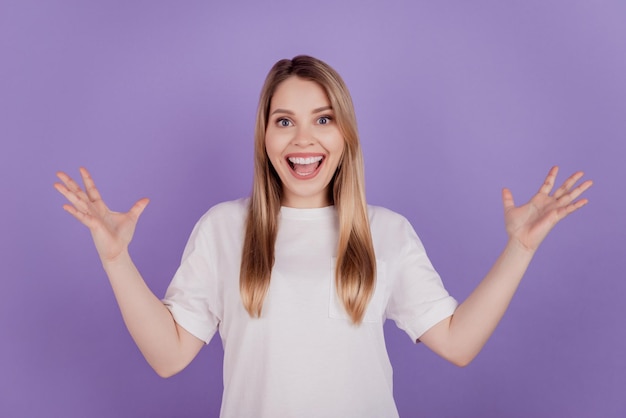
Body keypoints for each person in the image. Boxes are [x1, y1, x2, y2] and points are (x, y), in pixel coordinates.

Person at [54, 55, 593, 418]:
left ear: (345, 134)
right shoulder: (223, 229)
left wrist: (520, 248)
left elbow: (457, 342)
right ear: (265, 136)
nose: (304, 139)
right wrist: (116, 259)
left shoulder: (387, 233)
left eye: (323, 119)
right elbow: (169, 356)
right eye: (284, 121)